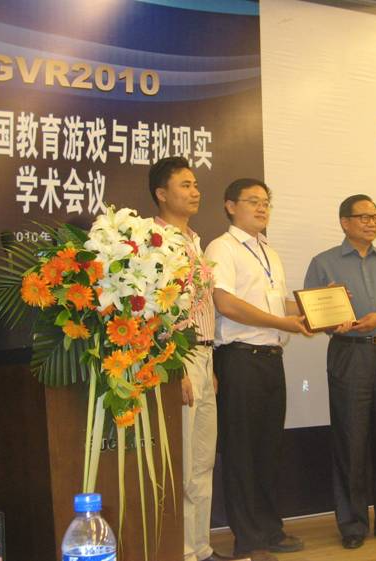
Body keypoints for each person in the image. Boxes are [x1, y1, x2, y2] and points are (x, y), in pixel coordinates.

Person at [204, 178, 310, 561]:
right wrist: (282, 322)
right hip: (239, 360)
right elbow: (226, 303)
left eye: (266, 202)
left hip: (269, 360)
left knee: (267, 450)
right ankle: (248, 540)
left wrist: (317, 308)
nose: (262, 208)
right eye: (253, 201)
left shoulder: (269, 252)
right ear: (230, 205)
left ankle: (269, 530)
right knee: (242, 453)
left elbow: (276, 304)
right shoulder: (222, 247)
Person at [304, 194, 376, 549]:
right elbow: (313, 314)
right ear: (345, 222)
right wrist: (329, 321)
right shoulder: (324, 262)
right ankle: (352, 525)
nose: (372, 223)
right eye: (364, 217)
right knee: (350, 439)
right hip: (349, 353)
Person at [148, 157, 227, 561]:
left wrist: (208, 363)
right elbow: (155, 308)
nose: (195, 192)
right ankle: (180, 552)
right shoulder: (153, 241)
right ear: (162, 194)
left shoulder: (194, 240)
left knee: (202, 462)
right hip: (177, 357)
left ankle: (201, 548)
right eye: (185, 185)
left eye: (196, 184)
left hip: (204, 355)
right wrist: (175, 365)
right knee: (181, 463)